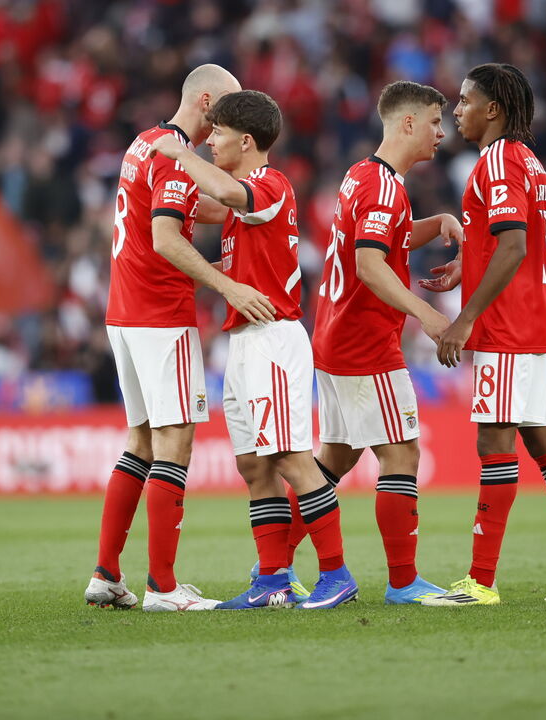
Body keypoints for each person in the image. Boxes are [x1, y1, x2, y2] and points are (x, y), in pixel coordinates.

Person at [420, 63, 546, 605]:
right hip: (535, 319)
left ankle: (480, 582)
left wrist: (464, 318)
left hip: (507, 327)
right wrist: (471, 261)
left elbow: (514, 245)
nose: (455, 110)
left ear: (494, 109)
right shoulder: (529, 161)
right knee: (542, 440)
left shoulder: (500, 159)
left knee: (494, 442)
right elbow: (508, 241)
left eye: (464, 101)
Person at [151, 90, 358, 610]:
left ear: (246, 140)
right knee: (254, 467)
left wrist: (179, 153)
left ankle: (337, 574)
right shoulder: (241, 195)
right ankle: (273, 579)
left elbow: (221, 189)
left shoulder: (270, 184)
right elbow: (200, 203)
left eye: (217, 133)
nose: (210, 140)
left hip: (274, 338)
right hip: (242, 338)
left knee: (290, 457)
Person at [84, 64, 274, 612]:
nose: (231, 124)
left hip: (123, 312)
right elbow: (167, 239)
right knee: (175, 442)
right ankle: (163, 589)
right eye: (228, 109)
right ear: (207, 101)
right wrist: (228, 286)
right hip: (160, 315)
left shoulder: (145, 143)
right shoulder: (176, 152)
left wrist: (250, 210)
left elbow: (193, 205)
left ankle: (105, 574)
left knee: (140, 441)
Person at [278, 81, 461, 605]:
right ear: (407, 123)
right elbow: (370, 262)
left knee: (333, 460)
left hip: (334, 339)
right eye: (433, 121)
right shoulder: (386, 188)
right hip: (366, 344)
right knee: (402, 452)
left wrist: (436, 223)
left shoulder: (362, 176)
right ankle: (403, 581)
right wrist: (427, 314)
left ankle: (274, 565)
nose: (440, 132)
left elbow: (381, 240)